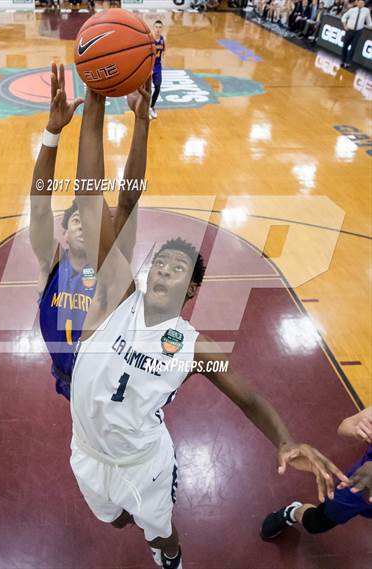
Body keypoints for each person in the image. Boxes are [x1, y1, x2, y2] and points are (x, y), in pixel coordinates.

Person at [69, 90, 349, 569]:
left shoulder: (197, 349)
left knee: (159, 532)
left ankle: (171, 559)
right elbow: (100, 197)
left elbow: (250, 399)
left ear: (191, 290)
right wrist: (99, 108)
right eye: (160, 264)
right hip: (87, 451)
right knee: (116, 521)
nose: (163, 272)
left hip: (144, 463)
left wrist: (284, 440)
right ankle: (134, 523)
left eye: (178, 269)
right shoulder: (115, 297)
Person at [30, 63, 150, 400]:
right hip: (68, 383)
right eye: (76, 221)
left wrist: (141, 123)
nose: (84, 223)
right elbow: (39, 208)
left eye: (91, 219)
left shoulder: (113, 266)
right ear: (63, 234)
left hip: (111, 386)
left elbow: (127, 199)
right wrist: (52, 133)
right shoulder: (50, 264)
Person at [261, 407, 372, 540]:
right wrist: (357, 430)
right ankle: (293, 512)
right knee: (316, 523)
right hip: (361, 484)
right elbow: (345, 426)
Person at [341, 0, 372, 68]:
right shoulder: (352, 10)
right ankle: (343, 60)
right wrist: (344, 25)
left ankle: (348, 62)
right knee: (345, 46)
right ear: (357, 3)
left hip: (358, 32)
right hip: (349, 30)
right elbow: (344, 17)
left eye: (362, 3)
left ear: (364, 4)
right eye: (359, 3)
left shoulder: (366, 11)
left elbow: (369, 21)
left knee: (353, 48)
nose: (360, 4)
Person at [150, 20, 166, 120]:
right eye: (156, 27)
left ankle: (151, 107)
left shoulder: (163, 40)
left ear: (162, 29)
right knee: (146, 89)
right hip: (149, 67)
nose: (158, 29)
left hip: (157, 67)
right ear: (153, 28)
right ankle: (144, 108)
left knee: (158, 86)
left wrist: (162, 61)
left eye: (160, 27)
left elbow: (163, 51)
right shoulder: (150, 40)